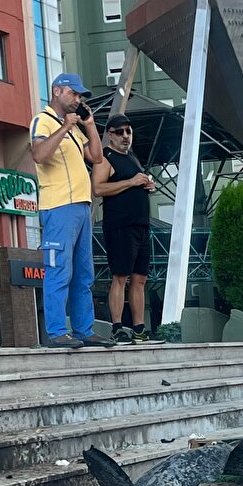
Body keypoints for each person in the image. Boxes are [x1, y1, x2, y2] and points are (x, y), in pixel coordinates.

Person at [30, 73, 114, 349]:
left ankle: (83, 329)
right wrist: (65, 127)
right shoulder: (43, 120)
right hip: (58, 207)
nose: (78, 99)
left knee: (83, 273)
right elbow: (39, 155)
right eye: (74, 93)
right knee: (58, 270)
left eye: (80, 95)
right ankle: (56, 332)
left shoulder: (76, 126)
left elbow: (98, 158)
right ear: (57, 91)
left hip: (81, 206)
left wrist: (89, 126)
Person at [92, 114, 158, 344]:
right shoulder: (105, 157)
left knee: (140, 278)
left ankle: (139, 328)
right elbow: (98, 188)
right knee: (120, 276)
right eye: (120, 132)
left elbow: (136, 182)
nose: (125, 136)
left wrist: (148, 185)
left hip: (141, 225)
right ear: (110, 134)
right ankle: (118, 327)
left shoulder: (132, 157)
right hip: (120, 225)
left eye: (128, 131)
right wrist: (131, 182)